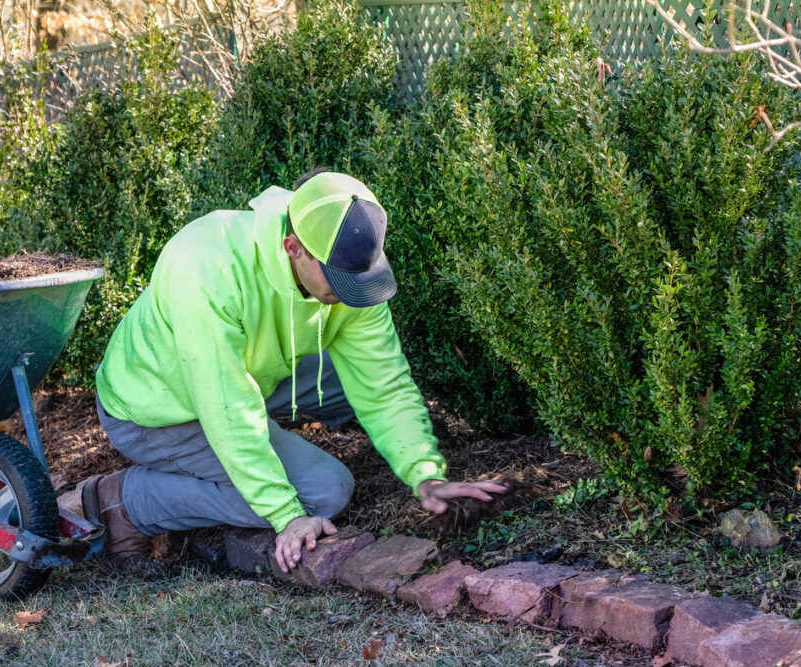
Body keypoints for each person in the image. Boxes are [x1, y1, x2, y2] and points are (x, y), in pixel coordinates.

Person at [84, 168, 506, 574]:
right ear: (293, 247)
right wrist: (285, 514)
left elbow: (383, 383)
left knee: (349, 377)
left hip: (247, 374)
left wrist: (425, 475)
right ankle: (127, 503)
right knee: (325, 490)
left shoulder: (350, 258)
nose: (350, 293)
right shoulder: (208, 268)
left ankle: (261, 454)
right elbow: (228, 408)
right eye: (338, 280)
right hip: (155, 408)